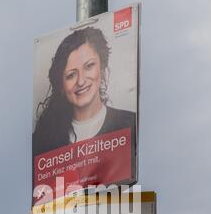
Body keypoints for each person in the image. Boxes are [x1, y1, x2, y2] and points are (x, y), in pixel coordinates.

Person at [32, 27, 136, 156]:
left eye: (89, 66)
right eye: (71, 75)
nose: (81, 81)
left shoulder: (131, 123)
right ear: (61, 86)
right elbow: (58, 178)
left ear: (102, 68)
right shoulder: (43, 139)